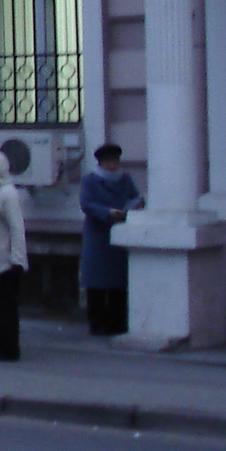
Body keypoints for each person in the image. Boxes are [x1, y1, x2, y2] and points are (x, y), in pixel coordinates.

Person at [78, 144, 139, 337]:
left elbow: (136, 197)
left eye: (115, 161)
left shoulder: (125, 179)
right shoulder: (91, 180)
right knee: (96, 283)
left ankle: (117, 322)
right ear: (101, 162)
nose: (112, 165)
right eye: (108, 161)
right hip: (98, 236)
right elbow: (86, 204)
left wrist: (131, 207)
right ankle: (97, 323)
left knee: (118, 283)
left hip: (120, 234)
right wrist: (106, 212)